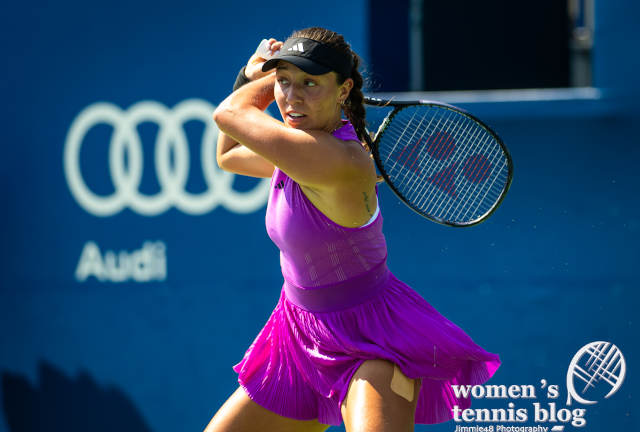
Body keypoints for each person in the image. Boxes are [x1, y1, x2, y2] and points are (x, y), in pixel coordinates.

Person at [207, 27, 501, 432]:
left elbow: (228, 115)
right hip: (299, 332)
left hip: (372, 343)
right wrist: (258, 78)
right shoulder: (298, 150)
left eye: (309, 83)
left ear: (343, 90)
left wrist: (257, 76)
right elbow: (228, 154)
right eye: (285, 82)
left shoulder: (335, 160)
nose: (291, 98)